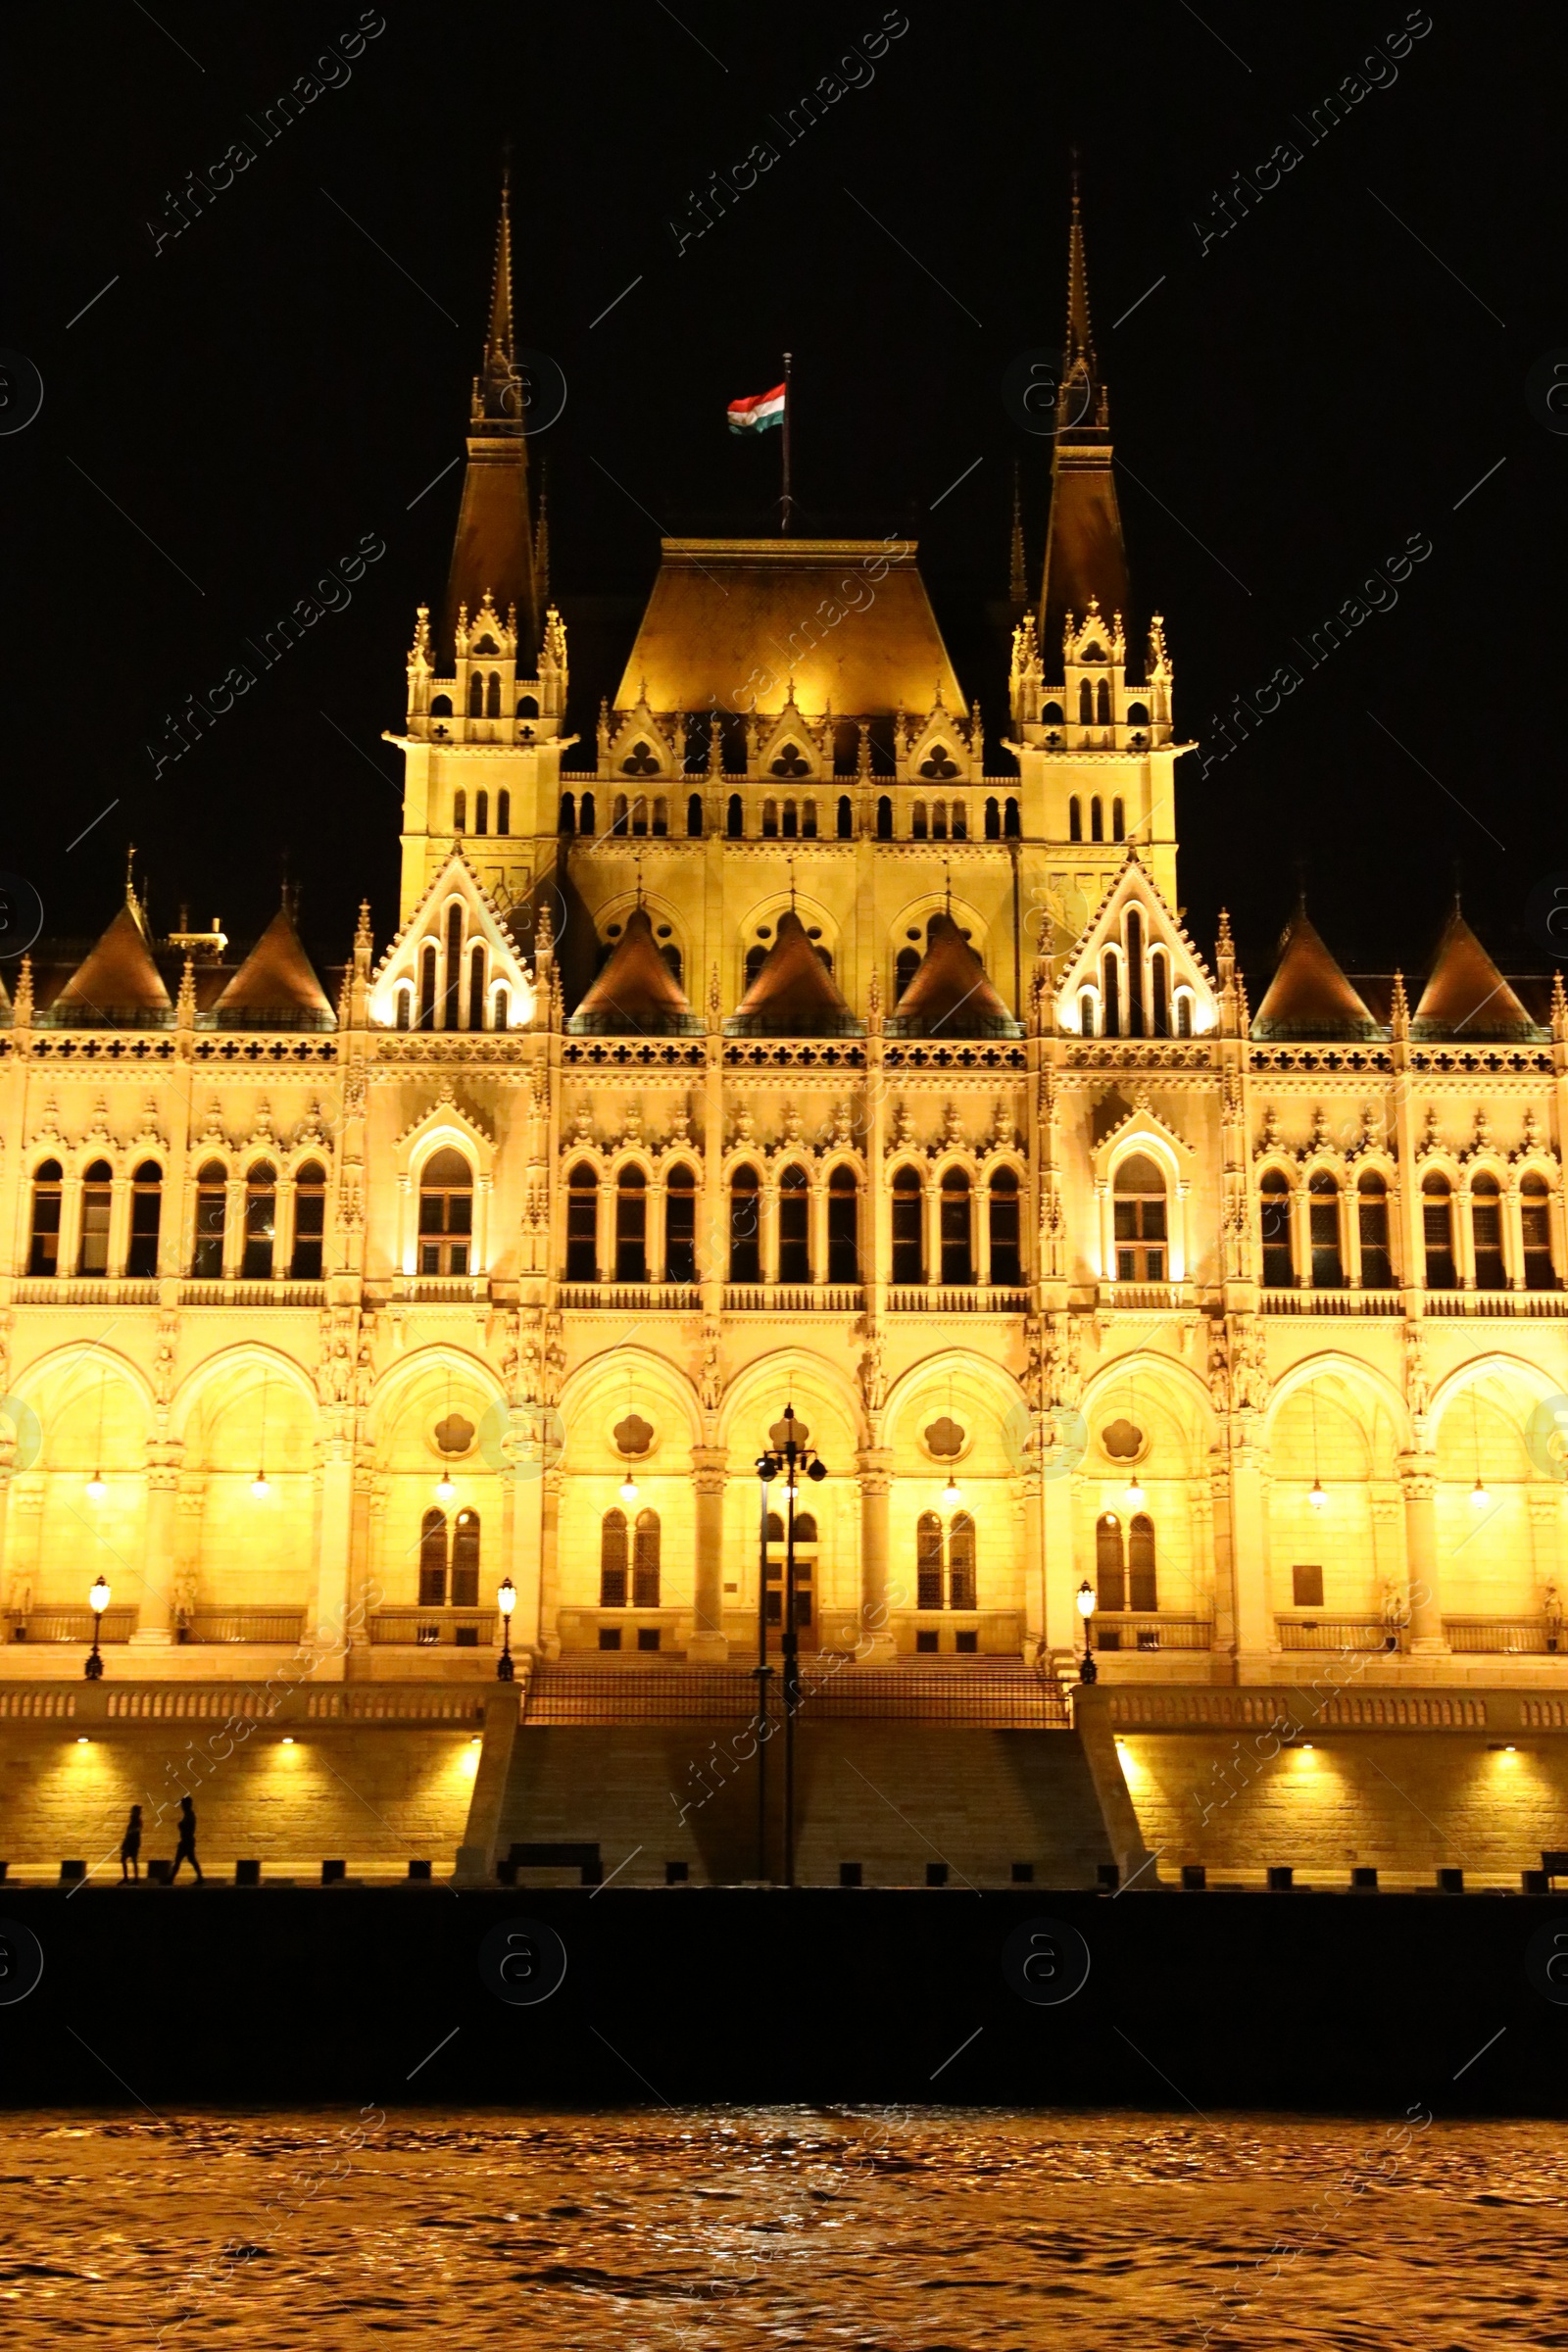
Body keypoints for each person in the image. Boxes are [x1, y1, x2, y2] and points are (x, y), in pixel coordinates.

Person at [170, 1794, 203, 1883]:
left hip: (186, 1841)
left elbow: (188, 1828)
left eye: (183, 1805)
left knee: (180, 1860)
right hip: (187, 1841)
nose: (182, 1807)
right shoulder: (188, 1815)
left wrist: (181, 1825)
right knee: (189, 1860)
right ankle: (200, 1877)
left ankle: (171, 1878)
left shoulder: (190, 1816)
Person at [120, 1804, 142, 1882]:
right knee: (129, 1860)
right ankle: (131, 1878)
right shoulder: (134, 1820)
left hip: (132, 1843)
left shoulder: (137, 1821)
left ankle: (132, 1878)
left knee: (131, 1860)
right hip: (131, 1843)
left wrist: (125, 1842)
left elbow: (132, 1832)